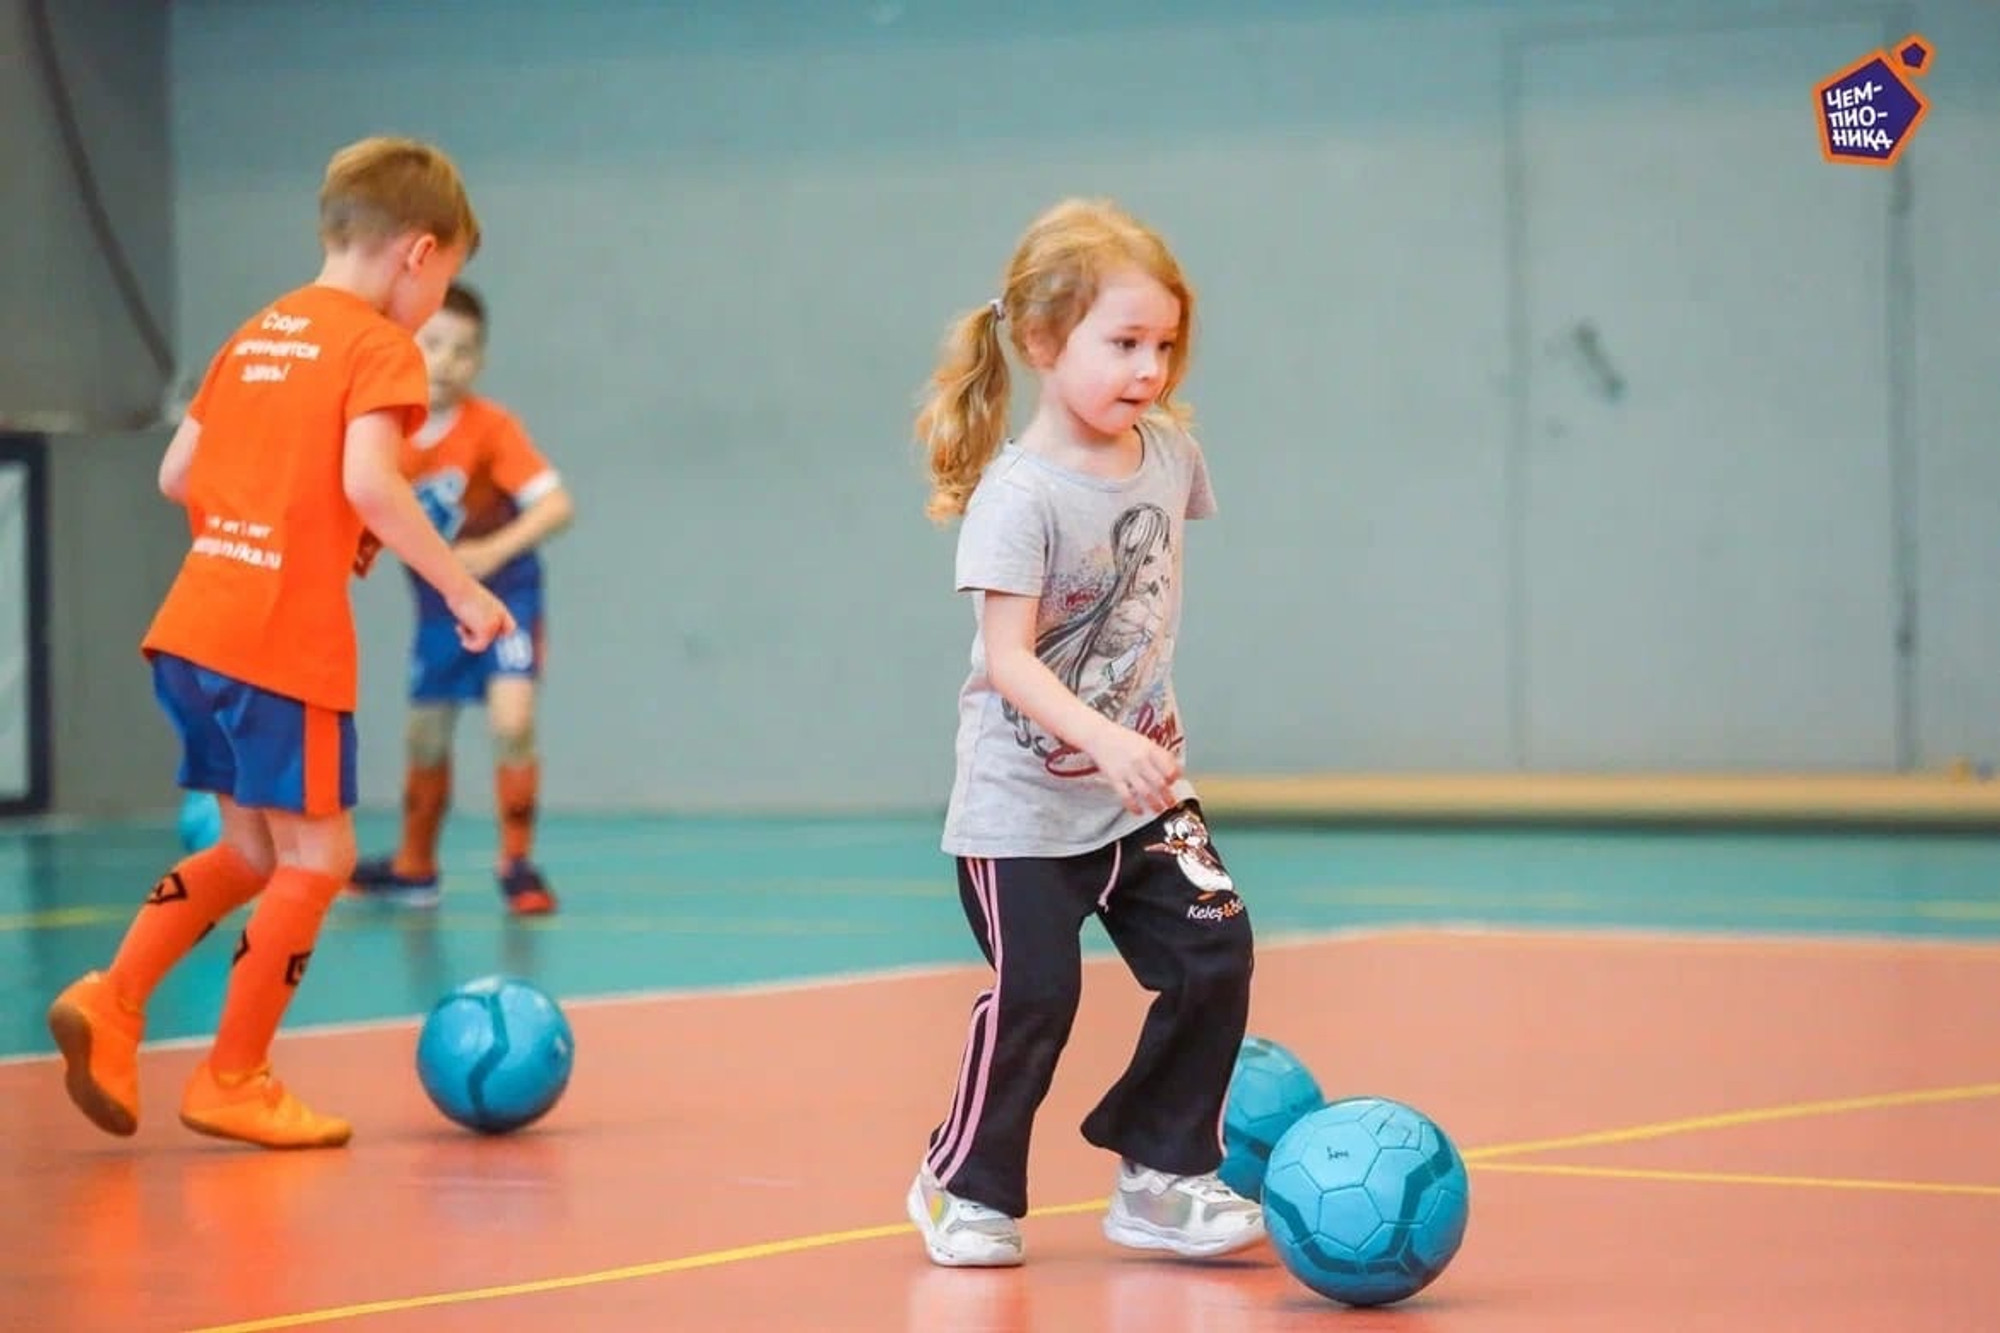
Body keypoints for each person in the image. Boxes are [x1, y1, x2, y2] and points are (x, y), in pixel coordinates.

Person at [44, 136, 512, 1150]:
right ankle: (234, 1074)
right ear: (416, 255)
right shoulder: (379, 345)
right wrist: (464, 586)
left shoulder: (256, 333)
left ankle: (115, 1002)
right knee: (320, 854)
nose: (434, 311)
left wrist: (260, 523)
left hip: (194, 625)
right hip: (278, 638)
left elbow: (178, 475)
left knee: (249, 847)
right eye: (447, 285)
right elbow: (371, 485)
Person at [905, 198, 1262, 1267]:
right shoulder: (1016, 497)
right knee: (1038, 997)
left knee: (1214, 954)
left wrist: (1136, 742)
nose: (1147, 367)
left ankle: (1160, 1177)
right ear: (1041, 342)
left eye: (1162, 345)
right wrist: (1101, 737)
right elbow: (1008, 658)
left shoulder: (1165, 455)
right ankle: (960, 1184)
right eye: (1121, 344)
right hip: (1019, 811)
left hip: (1142, 797)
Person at [346, 282, 573, 915]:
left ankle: (518, 864)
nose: (444, 362)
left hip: (504, 600)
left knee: (512, 721)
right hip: (439, 610)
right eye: (431, 344)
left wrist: (491, 552)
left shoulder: (492, 428)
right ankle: (416, 866)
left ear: (479, 361)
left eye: (462, 350)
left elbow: (557, 506)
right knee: (424, 736)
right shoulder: (383, 435)